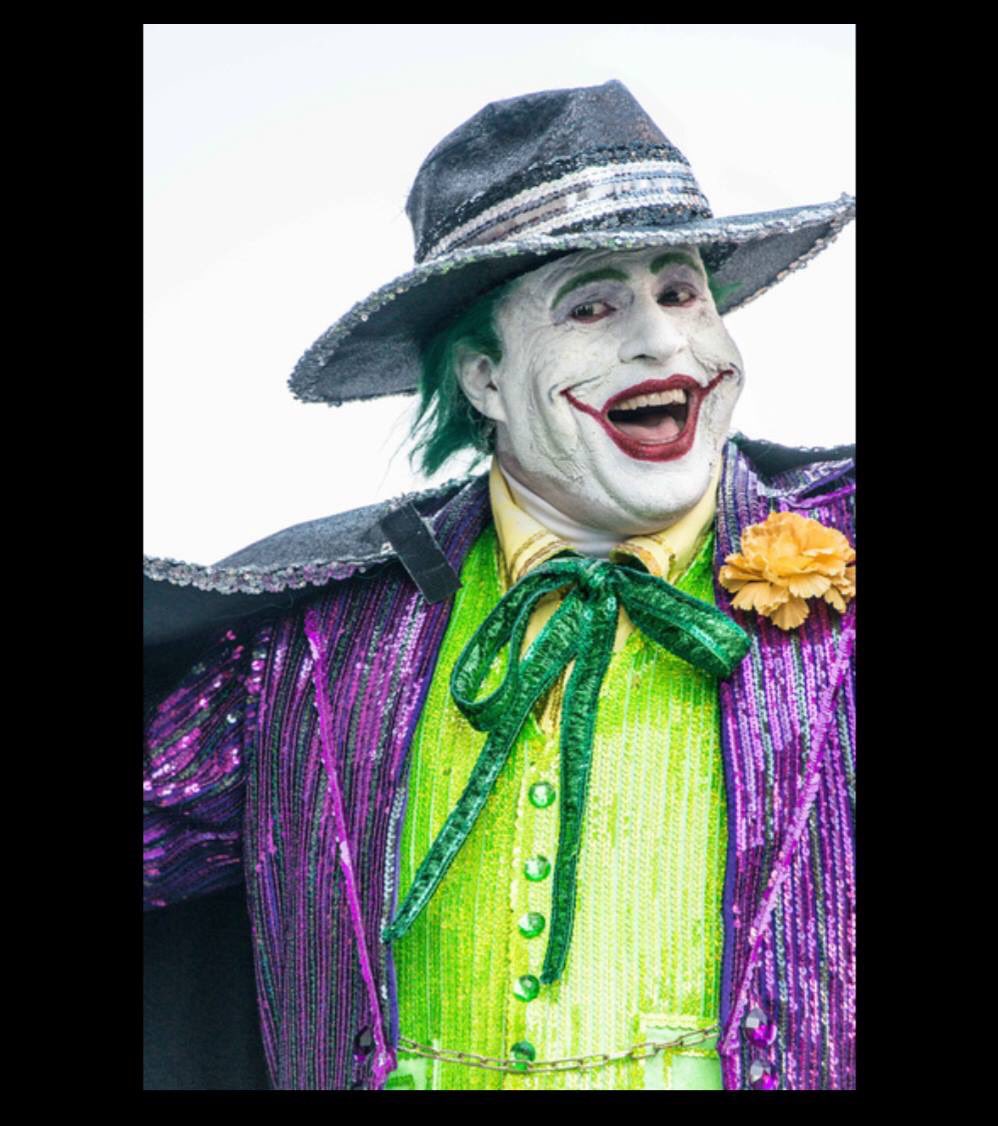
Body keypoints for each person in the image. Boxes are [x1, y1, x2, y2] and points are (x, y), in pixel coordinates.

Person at [144, 79, 856, 1090]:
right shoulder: (318, 635)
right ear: (483, 378)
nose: (661, 342)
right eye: (593, 306)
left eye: (680, 289)